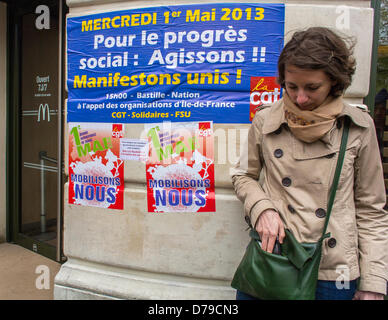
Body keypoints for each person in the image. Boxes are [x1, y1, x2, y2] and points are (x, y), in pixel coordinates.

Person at [230, 27, 388, 300]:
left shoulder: (358, 128)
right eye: (291, 87)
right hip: (275, 258)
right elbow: (243, 175)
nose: (300, 98)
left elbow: (371, 209)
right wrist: (262, 209)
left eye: (312, 87)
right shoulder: (266, 120)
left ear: (334, 83)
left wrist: (373, 282)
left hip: (332, 271)